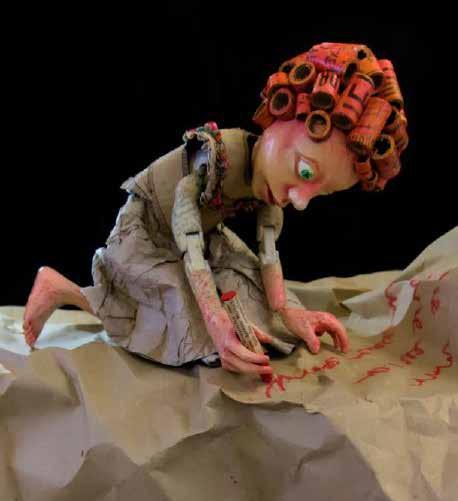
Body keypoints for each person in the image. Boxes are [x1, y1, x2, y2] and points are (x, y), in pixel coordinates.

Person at [23, 42, 407, 376]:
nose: (302, 200)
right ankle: (61, 288)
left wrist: (290, 312)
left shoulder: (270, 192)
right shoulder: (217, 156)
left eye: (320, 192)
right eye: (305, 172)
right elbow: (188, 240)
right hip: (148, 235)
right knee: (178, 310)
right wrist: (216, 323)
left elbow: (267, 255)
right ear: (280, 116)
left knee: (251, 290)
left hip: (204, 238)